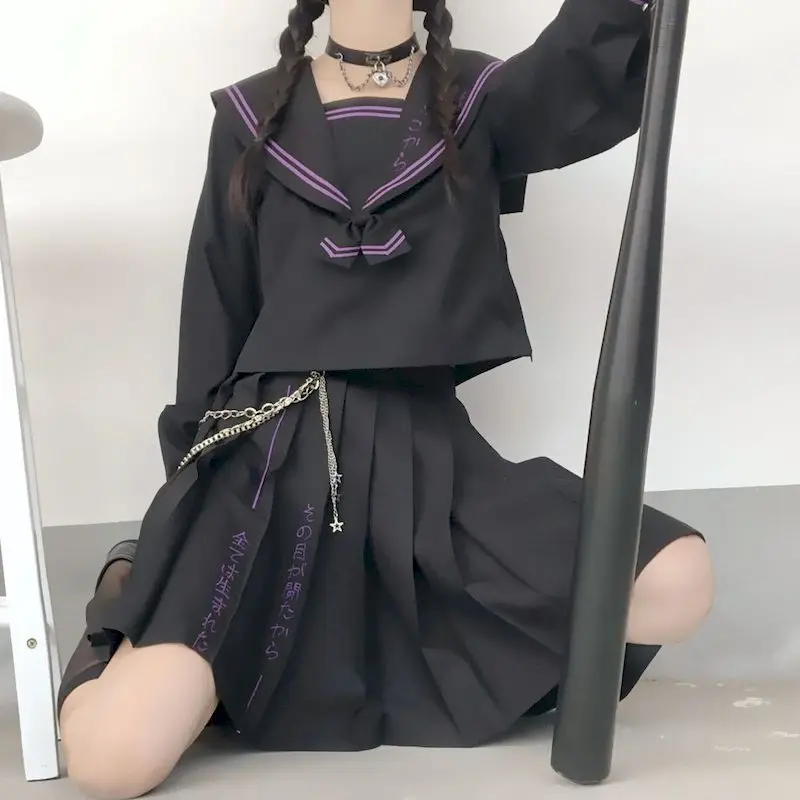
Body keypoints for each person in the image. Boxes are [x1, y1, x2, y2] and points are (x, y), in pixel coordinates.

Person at [57, 0, 714, 797]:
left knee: (677, 580)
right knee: (110, 763)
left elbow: (575, 83)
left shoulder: (476, 98)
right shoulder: (249, 114)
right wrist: (184, 521)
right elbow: (213, 312)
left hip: (429, 464)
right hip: (270, 462)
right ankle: (129, 587)